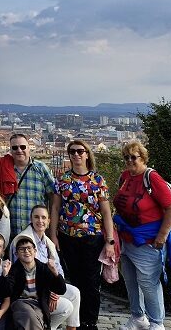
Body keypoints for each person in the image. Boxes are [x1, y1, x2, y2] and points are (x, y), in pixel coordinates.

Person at [112, 140, 171, 330]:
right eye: (126, 157)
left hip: (148, 240)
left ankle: (157, 322)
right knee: (130, 280)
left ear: (142, 158)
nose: (129, 160)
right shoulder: (125, 176)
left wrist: (162, 235)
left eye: (133, 157)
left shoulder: (151, 178)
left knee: (148, 282)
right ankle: (137, 316)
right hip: (127, 238)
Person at [49, 140, 115, 330]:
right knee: (74, 279)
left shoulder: (97, 180)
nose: (76, 155)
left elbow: (106, 212)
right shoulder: (62, 180)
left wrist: (109, 240)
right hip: (67, 237)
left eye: (80, 151)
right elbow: (55, 208)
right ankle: (76, 321)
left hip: (92, 237)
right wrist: (53, 236)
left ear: (87, 154)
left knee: (92, 281)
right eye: (72, 152)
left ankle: (90, 321)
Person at [11, 205, 81, 330]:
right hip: (32, 292)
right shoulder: (23, 240)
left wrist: (55, 290)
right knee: (66, 307)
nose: (40, 221)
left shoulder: (47, 242)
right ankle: (48, 326)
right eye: (36, 217)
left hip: (49, 286)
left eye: (44, 217)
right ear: (31, 219)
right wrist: (49, 292)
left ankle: (71, 328)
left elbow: (58, 268)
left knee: (75, 292)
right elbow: (22, 273)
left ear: (48, 221)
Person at [0, 134, 56, 237]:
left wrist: (51, 230)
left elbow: (53, 199)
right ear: (10, 150)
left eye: (23, 147)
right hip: (10, 232)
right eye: (15, 148)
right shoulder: (2, 170)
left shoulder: (41, 168)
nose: (19, 150)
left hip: (36, 232)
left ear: (28, 148)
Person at [6, 236, 67, 330]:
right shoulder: (14, 270)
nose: (26, 251)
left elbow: (61, 290)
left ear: (35, 251)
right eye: (22, 249)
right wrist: (5, 275)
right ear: (16, 254)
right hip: (20, 302)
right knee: (30, 316)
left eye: (29, 248)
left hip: (38, 304)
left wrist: (55, 272)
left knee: (38, 320)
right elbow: (6, 292)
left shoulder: (43, 268)